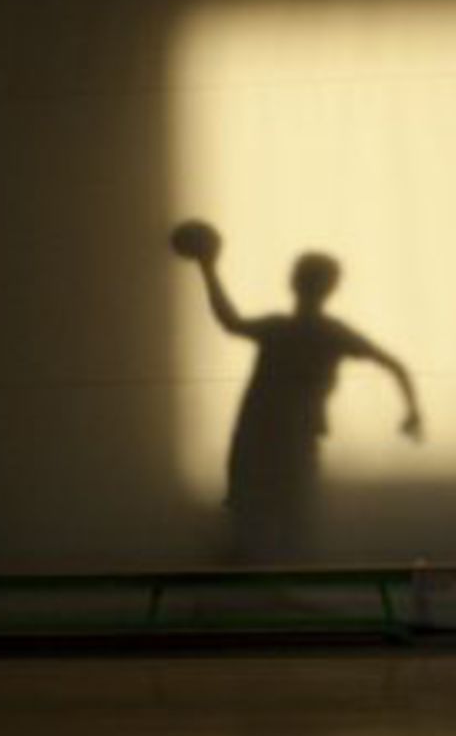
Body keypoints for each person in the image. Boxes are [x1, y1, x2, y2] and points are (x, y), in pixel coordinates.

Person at [172, 220, 421, 557]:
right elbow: (395, 366)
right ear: (330, 287)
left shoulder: (302, 331)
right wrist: (411, 412)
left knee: (272, 514)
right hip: (272, 434)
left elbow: (230, 322)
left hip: (273, 434)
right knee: (274, 514)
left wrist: (208, 267)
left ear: (295, 282)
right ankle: (260, 579)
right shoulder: (317, 331)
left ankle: (267, 580)